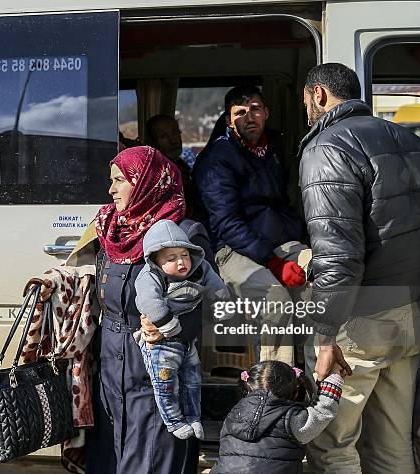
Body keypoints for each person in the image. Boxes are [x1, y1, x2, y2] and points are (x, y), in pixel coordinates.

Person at [299, 62, 420, 473]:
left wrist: (326, 333)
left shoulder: (327, 147)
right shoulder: (411, 142)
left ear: (318, 95)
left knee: (333, 444)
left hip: (361, 318)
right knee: (392, 441)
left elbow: (338, 254)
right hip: (412, 310)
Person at [84, 145, 211, 473]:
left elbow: (202, 301)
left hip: (157, 366)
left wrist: (171, 325)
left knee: (152, 457)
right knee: (111, 459)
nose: (111, 189)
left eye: (119, 180)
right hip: (111, 367)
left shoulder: (183, 233)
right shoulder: (110, 227)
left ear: (145, 182)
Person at [193, 85, 308, 364]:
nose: (249, 117)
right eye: (240, 112)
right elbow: (226, 223)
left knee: (321, 275)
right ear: (229, 119)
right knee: (275, 300)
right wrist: (273, 262)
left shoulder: (276, 147)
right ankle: (274, 391)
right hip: (234, 249)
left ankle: (317, 381)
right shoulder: (216, 159)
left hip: (279, 242)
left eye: (255, 109)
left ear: (266, 112)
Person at [134, 219, 228, 440]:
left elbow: (216, 286)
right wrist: (168, 325)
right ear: (156, 261)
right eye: (171, 258)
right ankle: (174, 421)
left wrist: (223, 303)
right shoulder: (150, 276)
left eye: (184, 255)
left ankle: (194, 418)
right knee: (165, 384)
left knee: (193, 381)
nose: (181, 262)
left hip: (187, 342)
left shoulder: (200, 268)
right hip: (161, 343)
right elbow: (149, 302)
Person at [211, 360, 344, 474]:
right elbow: (321, 414)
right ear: (295, 391)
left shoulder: (233, 414)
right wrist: (333, 382)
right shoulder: (291, 419)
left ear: (247, 387)